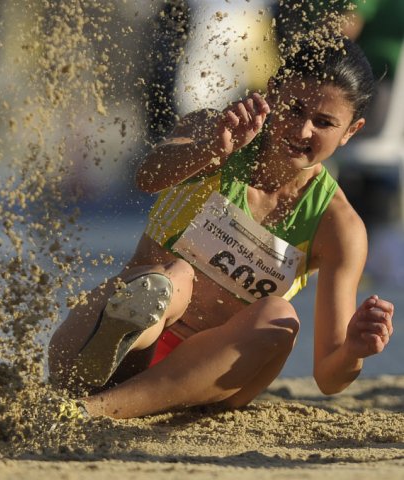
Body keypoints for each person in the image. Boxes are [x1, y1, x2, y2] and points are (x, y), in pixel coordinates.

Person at [47, 37, 395, 420]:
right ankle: (100, 386)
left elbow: (331, 377)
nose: (303, 130)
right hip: (106, 347)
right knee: (172, 279)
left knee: (279, 317)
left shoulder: (339, 226)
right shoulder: (215, 131)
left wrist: (354, 351)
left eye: (324, 123)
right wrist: (210, 150)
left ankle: (89, 411)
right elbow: (147, 177)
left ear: (351, 130)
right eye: (294, 109)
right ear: (273, 93)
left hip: (204, 380)